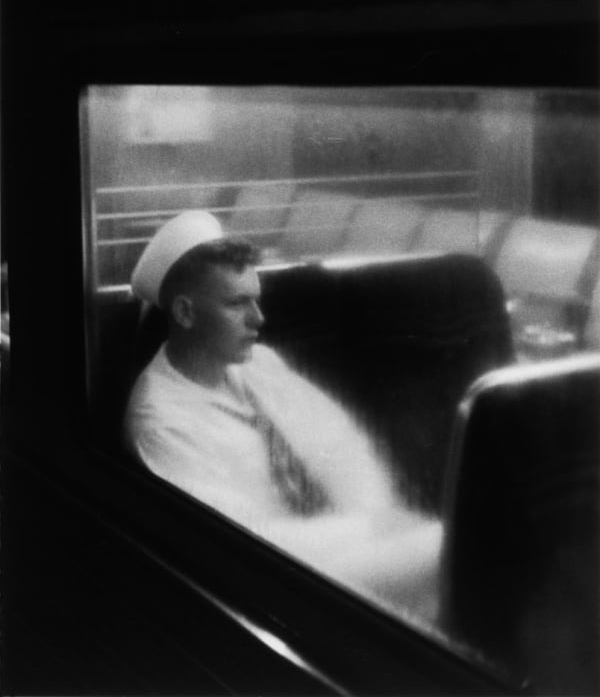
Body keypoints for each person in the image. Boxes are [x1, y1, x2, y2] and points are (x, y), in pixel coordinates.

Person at [124, 211, 442, 611]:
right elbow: (244, 538)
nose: (258, 318)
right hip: (267, 585)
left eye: (255, 300)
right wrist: (370, 528)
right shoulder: (160, 422)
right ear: (186, 313)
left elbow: (341, 443)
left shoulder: (260, 362)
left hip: (340, 548)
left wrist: (377, 516)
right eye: (237, 304)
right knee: (449, 547)